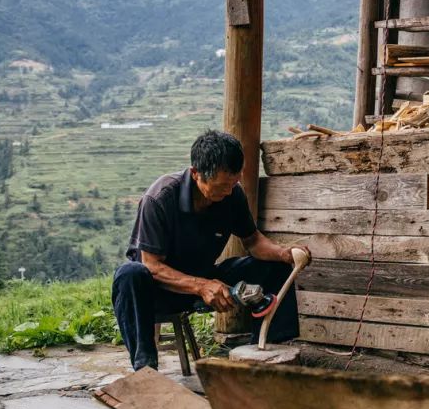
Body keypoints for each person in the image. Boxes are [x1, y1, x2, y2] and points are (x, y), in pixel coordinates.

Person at [111, 129, 311, 370]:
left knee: (275, 266)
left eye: (233, 183)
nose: (227, 192)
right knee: (129, 274)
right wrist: (201, 286)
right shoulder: (160, 198)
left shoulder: (232, 196)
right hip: (158, 291)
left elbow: (254, 242)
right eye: (220, 186)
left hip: (207, 279)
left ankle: (271, 351)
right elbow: (151, 266)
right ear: (196, 174)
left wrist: (284, 253)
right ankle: (145, 369)